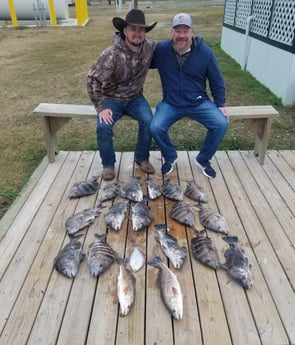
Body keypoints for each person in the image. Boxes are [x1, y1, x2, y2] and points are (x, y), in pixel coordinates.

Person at [150, 13, 229, 178]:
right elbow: (141, 59)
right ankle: (170, 157)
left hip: (198, 103)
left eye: (185, 31)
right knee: (155, 127)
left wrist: (220, 104)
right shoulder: (161, 50)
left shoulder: (205, 53)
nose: (181, 35)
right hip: (171, 103)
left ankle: (204, 159)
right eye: (177, 31)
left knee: (221, 123)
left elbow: (217, 81)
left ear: (192, 32)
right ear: (172, 32)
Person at [86, 9, 157, 181]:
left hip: (135, 98)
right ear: (125, 31)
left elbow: (173, 45)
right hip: (111, 98)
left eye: (141, 30)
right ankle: (108, 165)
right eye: (133, 29)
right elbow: (92, 80)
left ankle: (142, 157)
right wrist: (101, 107)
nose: (137, 33)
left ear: (144, 33)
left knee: (148, 120)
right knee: (103, 126)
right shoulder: (111, 54)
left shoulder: (149, 48)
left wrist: (195, 42)